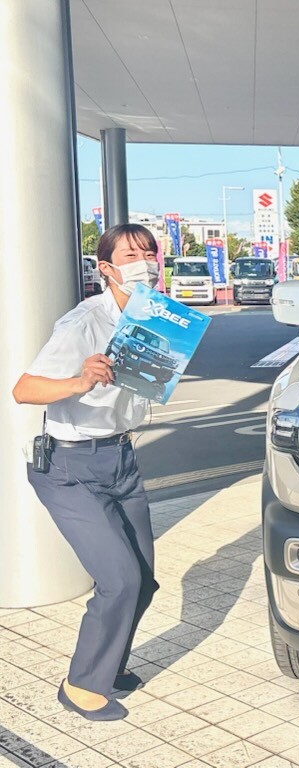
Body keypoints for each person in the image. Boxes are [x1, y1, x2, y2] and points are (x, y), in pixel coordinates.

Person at [12, 224, 163, 722]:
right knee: (118, 579)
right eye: (131, 255)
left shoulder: (154, 319)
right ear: (106, 268)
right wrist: (78, 381)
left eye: (150, 253)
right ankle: (81, 685)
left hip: (121, 459)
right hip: (70, 465)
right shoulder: (83, 322)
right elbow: (25, 390)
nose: (144, 263)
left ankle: (110, 664)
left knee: (142, 579)